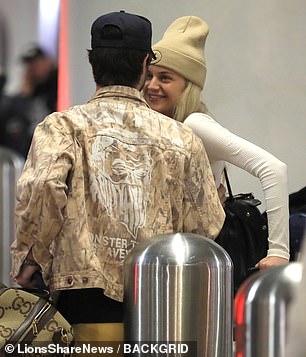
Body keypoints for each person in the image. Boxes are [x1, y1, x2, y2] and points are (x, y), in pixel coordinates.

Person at [10, 11, 225, 347]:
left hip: (81, 297)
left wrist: (32, 252)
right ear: (145, 64)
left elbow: (41, 187)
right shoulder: (182, 138)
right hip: (161, 305)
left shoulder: (63, 127)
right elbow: (206, 225)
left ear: (92, 61)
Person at [143, 15, 290, 271]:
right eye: (149, 76)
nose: (152, 86)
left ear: (188, 86)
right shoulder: (163, 126)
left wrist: (279, 252)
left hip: (197, 268)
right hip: (175, 264)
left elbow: (274, 169)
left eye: (165, 78)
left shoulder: (195, 125)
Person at [0, 45, 58, 158]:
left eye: (34, 63)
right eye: (29, 65)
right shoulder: (33, 90)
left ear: (45, 62)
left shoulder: (56, 84)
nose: (30, 69)